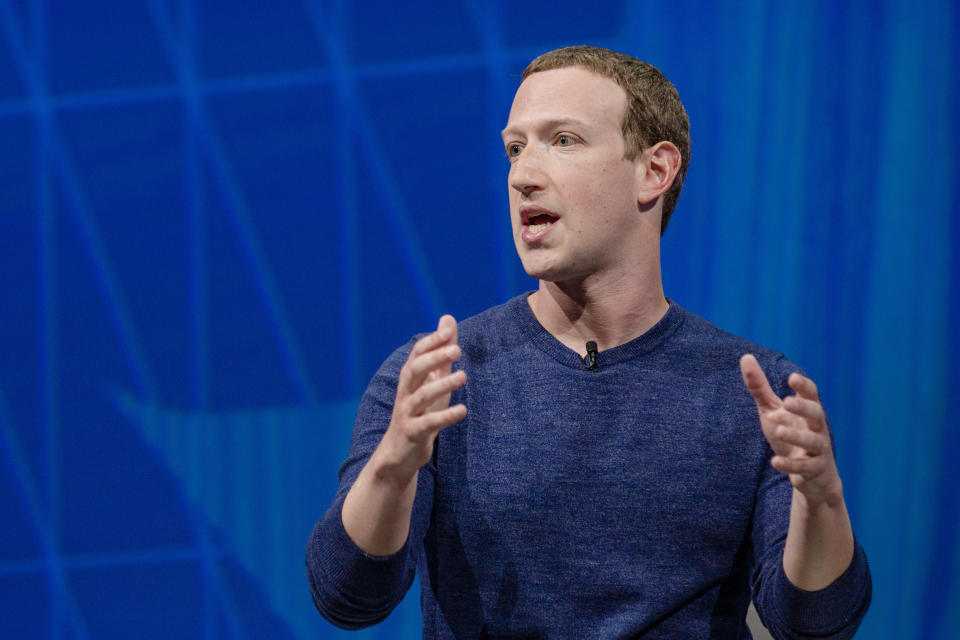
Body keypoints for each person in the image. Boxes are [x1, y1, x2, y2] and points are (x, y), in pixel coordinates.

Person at [306, 46, 871, 638]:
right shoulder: (433, 380)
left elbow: (814, 625)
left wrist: (823, 501)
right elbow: (347, 598)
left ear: (655, 170)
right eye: (515, 148)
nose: (523, 174)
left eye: (564, 140)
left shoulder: (756, 394)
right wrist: (393, 468)